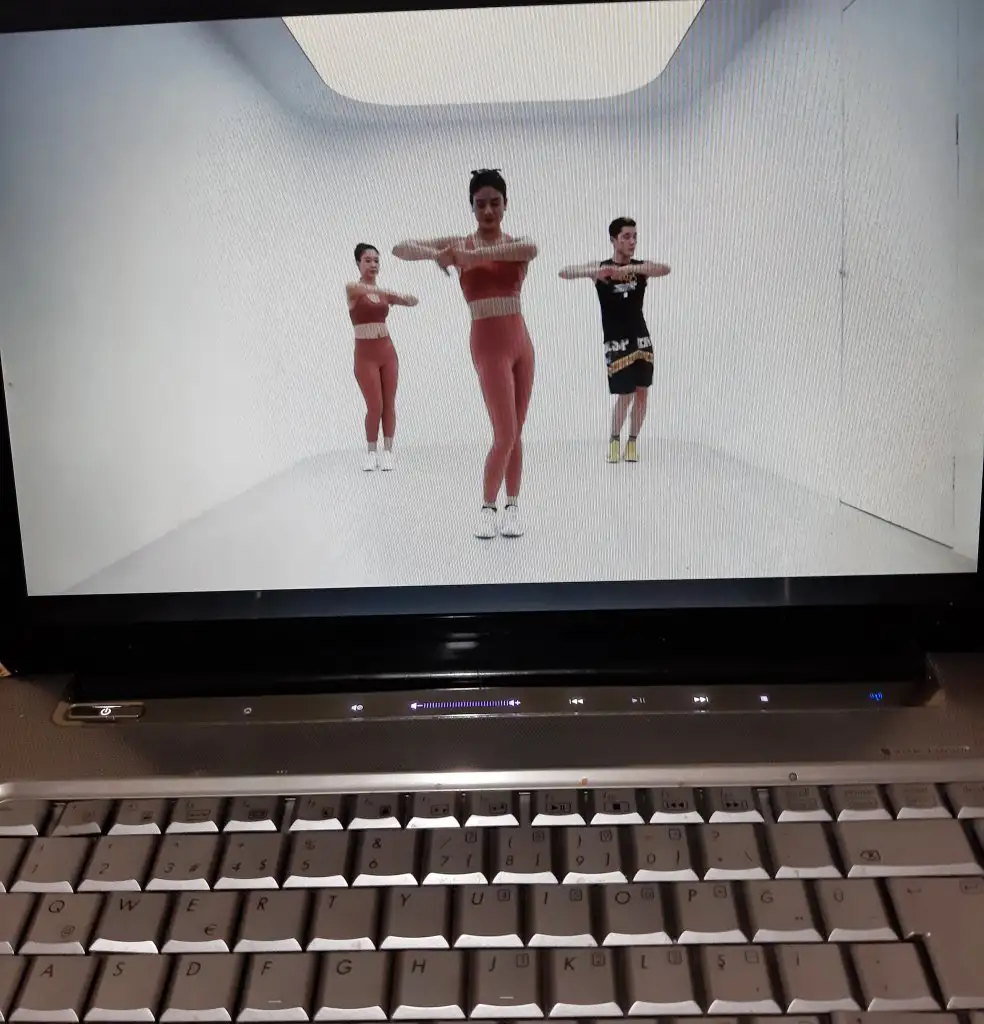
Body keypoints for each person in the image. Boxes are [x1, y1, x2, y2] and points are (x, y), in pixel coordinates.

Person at [392, 169, 538, 539]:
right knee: (504, 433)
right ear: (471, 207)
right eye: (480, 204)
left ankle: (513, 507)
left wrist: (469, 257)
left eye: (495, 203)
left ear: (505, 204)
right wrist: (437, 255)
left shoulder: (516, 244)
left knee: (516, 432)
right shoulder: (459, 244)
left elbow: (531, 249)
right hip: (488, 346)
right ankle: (488, 508)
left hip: (522, 343)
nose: (488, 210)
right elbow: (400, 248)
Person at [559, 217, 670, 463]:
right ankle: (614, 440)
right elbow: (564, 272)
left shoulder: (640, 268)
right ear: (613, 240)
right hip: (616, 342)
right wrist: (594, 273)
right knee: (625, 394)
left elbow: (664, 269)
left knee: (642, 393)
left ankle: (632, 442)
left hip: (641, 339)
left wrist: (632, 270)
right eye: (626, 237)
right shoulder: (601, 267)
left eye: (635, 236)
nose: (632, 242)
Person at [347, 243, 418, 472]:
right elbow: (362, 291)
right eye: (367, 260)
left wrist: (404, 299)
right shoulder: (353, 289)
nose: (373, 264)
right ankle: (371, 452)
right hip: (365, 355)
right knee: (374, 405)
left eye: (376, 260)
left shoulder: (383, 293)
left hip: (387, 352)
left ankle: (388, 452)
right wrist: (390, 294)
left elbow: (409, 300)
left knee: (389, 403)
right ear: (358, 263)